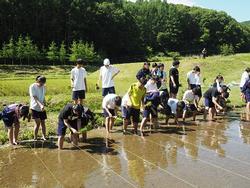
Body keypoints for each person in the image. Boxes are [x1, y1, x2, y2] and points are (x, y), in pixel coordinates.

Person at [29, 76, 47, 141]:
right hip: (34, 107)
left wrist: (44, 102)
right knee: (37, 123)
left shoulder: (44, 86)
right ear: (37, 81)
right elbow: (35, 97)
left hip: (42, 107)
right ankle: (35, 137)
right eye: (41, 83)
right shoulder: (32, 86)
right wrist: (41, 105)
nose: (41, 85)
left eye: (43, 83)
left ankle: (44, 136)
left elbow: (43, 95)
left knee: (43, 122)